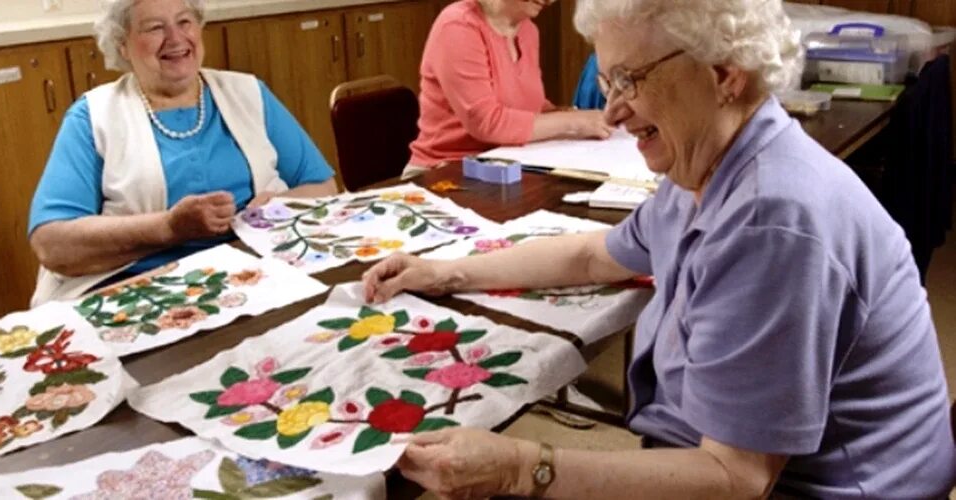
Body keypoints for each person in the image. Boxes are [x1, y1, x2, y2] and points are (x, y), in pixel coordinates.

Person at [362, 0, 956, 497]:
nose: (614, 111)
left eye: (631, 79)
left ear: (724, 73)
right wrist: (444, 272)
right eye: (607, 80)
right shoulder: (712, 163)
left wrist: (522, 467)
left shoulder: (769, 220)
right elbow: (594, 255)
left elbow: (736, 478)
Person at [28, 0, 338, 305]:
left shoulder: (249, 92)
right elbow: (52, 243)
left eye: (185, 21)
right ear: (122, 45)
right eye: (154, 28)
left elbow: (324, 188)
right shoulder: (93, 117)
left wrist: (279, 204)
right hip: (142, 290)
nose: (176, 39)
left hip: (256, 273)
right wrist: (168, 228)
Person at [403, 0, 613, 179]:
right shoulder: (458, 26)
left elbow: (530, 106)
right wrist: (575, 123)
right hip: (442, 172)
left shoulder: (528, 31)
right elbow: (487, 122)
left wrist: (565, 113)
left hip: (504, 167)